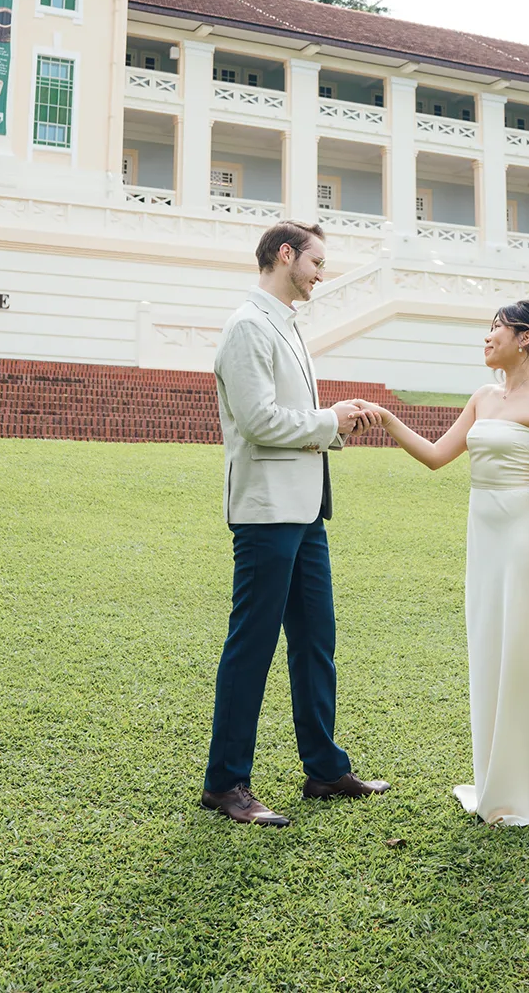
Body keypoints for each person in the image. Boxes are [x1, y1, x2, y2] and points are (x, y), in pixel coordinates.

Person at [359, 300, 529, 827]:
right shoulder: (482, 397)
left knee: (526, 656)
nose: (486, 337)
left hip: (525, 542)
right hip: (485, 540)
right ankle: (499, 775)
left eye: (494, 329)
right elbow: (435, 456)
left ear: (524, 337)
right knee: (490, 650)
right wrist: (387, 419)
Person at [201, 220, 389, 827]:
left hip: (306, 511)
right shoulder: (247, 327)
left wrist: (335, 419)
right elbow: (258, 421)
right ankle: (226, 783)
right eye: (316, 262)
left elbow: (291, 416)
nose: (321, 274)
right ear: (286, 256)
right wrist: (329, 420)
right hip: (266, 513)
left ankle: (325, 769)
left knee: (316, 641)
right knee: (251, 647)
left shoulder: (284, 325)